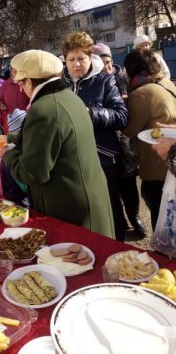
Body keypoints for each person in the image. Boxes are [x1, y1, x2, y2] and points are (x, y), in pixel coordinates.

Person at [0, 49, 115, 238]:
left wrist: (6, 153)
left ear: (30, 81)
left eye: (21, 83)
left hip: (71, 208)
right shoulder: (68, 97)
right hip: (85, 198)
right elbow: (54, 137)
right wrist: (11, 138)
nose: (21, 89)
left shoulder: (43, 109)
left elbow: (31, 173)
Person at [61, 32, 128, 241]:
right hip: (70, 159)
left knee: (108, 206)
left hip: (102, 157)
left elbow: (122, 116)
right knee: (80, 209)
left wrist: (90, 113)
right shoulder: (59, 84)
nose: (77, 64)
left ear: (91, 58)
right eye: (71, 59)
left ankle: (118, 246)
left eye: (81, 58)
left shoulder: (104, 82)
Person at [93, 42, 146, 238]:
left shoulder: (124, 78)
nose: (106, 66)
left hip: (126, 143)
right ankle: (121, 221)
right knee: (111, 189)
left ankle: (135, 217)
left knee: (129, 186)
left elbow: (136, 107)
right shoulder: (94, 82)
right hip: (106, 146)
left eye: (108, 62)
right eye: (101, 62)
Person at [123, 49, 176, 230]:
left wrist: (123, 105)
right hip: (171, 158)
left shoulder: (142, 93)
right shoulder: (166, 82)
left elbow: (129, 129)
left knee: (160, 214)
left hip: (157, 164)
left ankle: (162, 254)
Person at [0, 66, 29, 134]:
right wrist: (1, 104)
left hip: (25, 119)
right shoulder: (5, 84)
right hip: (10, 121)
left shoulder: (26, 83)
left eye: (19, 72)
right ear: (11, 72)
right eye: (15, 71)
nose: (17, 74)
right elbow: (0, 99)